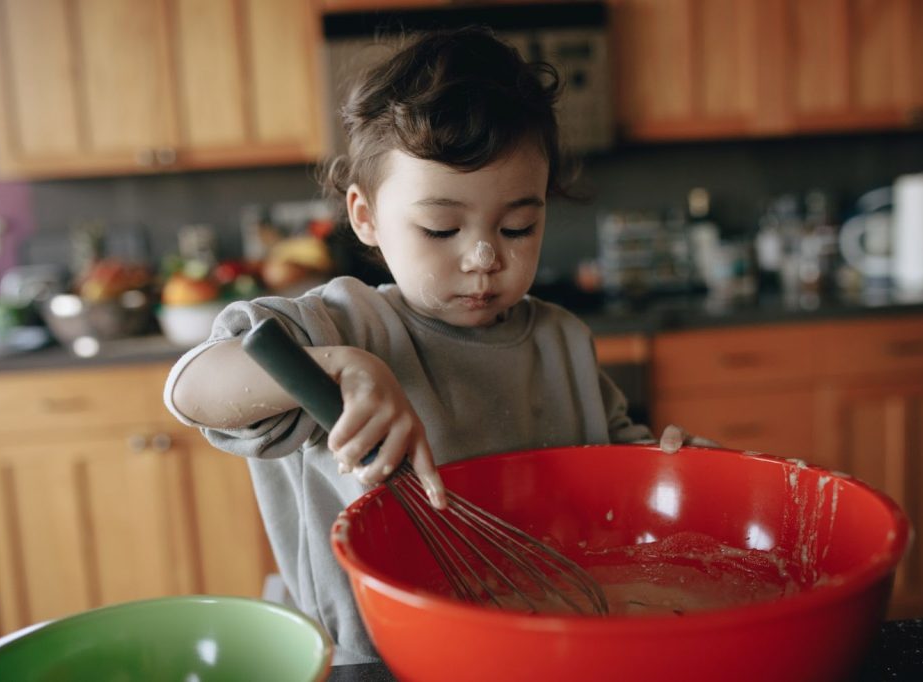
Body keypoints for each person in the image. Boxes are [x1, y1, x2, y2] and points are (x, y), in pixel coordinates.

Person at [163, 27, 712, 664]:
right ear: (365, 216)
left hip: (548, 642)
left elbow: (619, 476)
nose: (484, 257)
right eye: (441, 227)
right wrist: (340, 368)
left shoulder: (563, 341)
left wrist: (675, 469)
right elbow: (192, 389)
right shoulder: (341, 325)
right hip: (376, 659)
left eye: (518, 226)